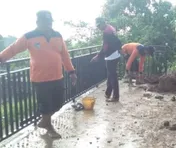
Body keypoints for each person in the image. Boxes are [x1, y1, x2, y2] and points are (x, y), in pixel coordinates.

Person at [0, 10, 77, 138]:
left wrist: (72, 71)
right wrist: (1, 58)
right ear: (38, 22)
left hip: (57, 76)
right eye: (45, 21)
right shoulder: (29, 36)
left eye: (49, 21)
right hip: (40, 79)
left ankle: (44, 121)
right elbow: (13, 49)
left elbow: (65, 55)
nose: (48, 24)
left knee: (59, 103)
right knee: (45, 105)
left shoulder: (57, 35)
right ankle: (49, 127)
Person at [91, 17, 122, 102]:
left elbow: (105, 47)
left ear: (102, 23)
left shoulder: (106, 32)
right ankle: (108, 93)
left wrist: (98, 56)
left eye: (98, 26)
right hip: (116, 54)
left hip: (111, 56)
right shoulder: (111, 28)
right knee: (110, 75)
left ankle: (115, 96)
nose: (98, 28)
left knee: (113, 76)